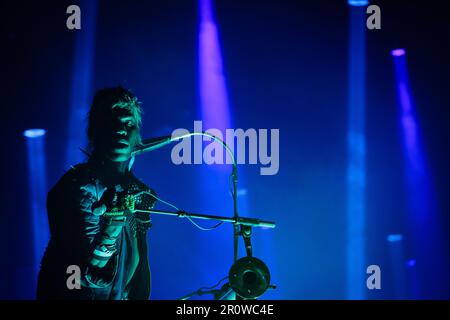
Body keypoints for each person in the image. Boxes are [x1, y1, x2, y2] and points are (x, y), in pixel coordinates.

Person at [37, 87, 156, 300]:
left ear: (137, 134)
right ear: (96, 131)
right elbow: (80, 275)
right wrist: (110, 229)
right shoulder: (80, 186)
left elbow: (139, 268)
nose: (121, 130)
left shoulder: (138, 192)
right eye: (113, 123)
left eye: (129, 123)